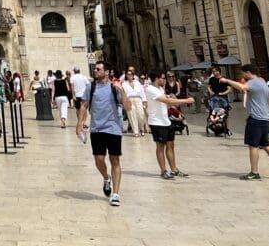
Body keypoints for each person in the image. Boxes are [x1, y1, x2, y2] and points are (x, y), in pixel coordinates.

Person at [219, 63, 269, 180]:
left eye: (243, 73)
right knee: (265, 145)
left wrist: (227, 80)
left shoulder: (253, 82)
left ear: (248, 72)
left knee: (253, 145)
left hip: (256, 119)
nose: (243, 76)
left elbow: (242, 87)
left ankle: (254, 172)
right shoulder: (264, 84)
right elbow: (268, 103)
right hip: (265, 119)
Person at [76, 61, 132, 206]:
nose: (95, 70)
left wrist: (123, 91)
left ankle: (116, 194)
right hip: (96, 129)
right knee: (99, 159)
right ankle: (106, 178)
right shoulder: (91, 87)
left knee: (115, 160)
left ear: (106, 72)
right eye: (95, 69)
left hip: (113, 129)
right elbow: (83, 105)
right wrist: (79, 124)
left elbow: (128, 107)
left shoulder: (115, 88)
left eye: (98, 69)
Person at [144, 70, 194, 179]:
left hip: (166, 120)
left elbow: (168, 102)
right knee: (160, 146)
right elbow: (168, 101)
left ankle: (174, 169)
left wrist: (178, 113)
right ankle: (163, 171)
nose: (165, 80)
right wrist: (186, 100)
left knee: (170, 145)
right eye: (163, 78)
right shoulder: (150, 90)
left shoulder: (160, 89)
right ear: (157, 79)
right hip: (156, 122)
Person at [122, 68, 147, 137]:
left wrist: (144, 101)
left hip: (138, 99)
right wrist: (124, 103)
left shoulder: (137, 83)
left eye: (131, 74)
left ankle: (141, 128)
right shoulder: (124, 84)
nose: (130, 75)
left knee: (141, 115)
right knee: (132, 115)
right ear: (126, 75)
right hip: (129, 100)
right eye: (128, 74)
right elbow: (123, 94)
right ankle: (136, 131)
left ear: (133, 75)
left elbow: (142, 92)